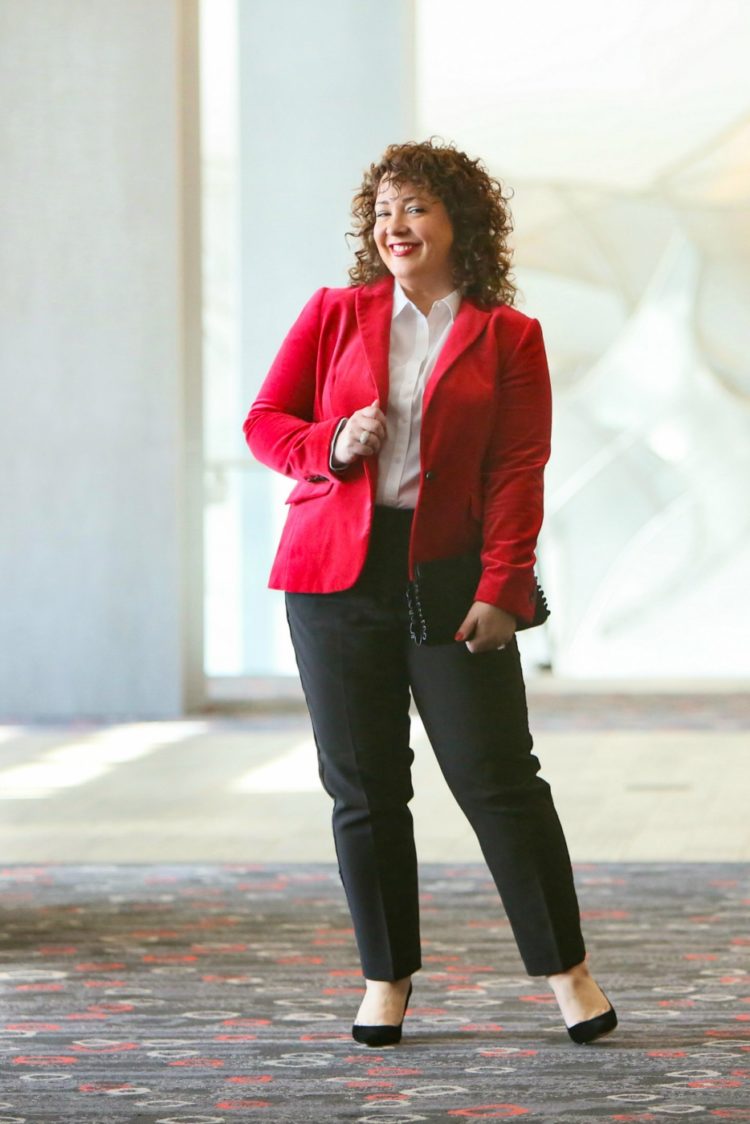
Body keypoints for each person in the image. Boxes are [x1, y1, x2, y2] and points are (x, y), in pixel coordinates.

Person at [243, 139, 617, 1048]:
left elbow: (519, 470)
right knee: (365, 789)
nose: (394, 226)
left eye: (414, 208)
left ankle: (568, 972)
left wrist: (504, 587)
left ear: (459, 223)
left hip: (449, 575)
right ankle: (387, 978)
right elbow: (267, 422)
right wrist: (331, 444)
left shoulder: (508, 335)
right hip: (333, 577)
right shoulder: (334, 313)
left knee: (498, 778)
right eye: (382, 211)